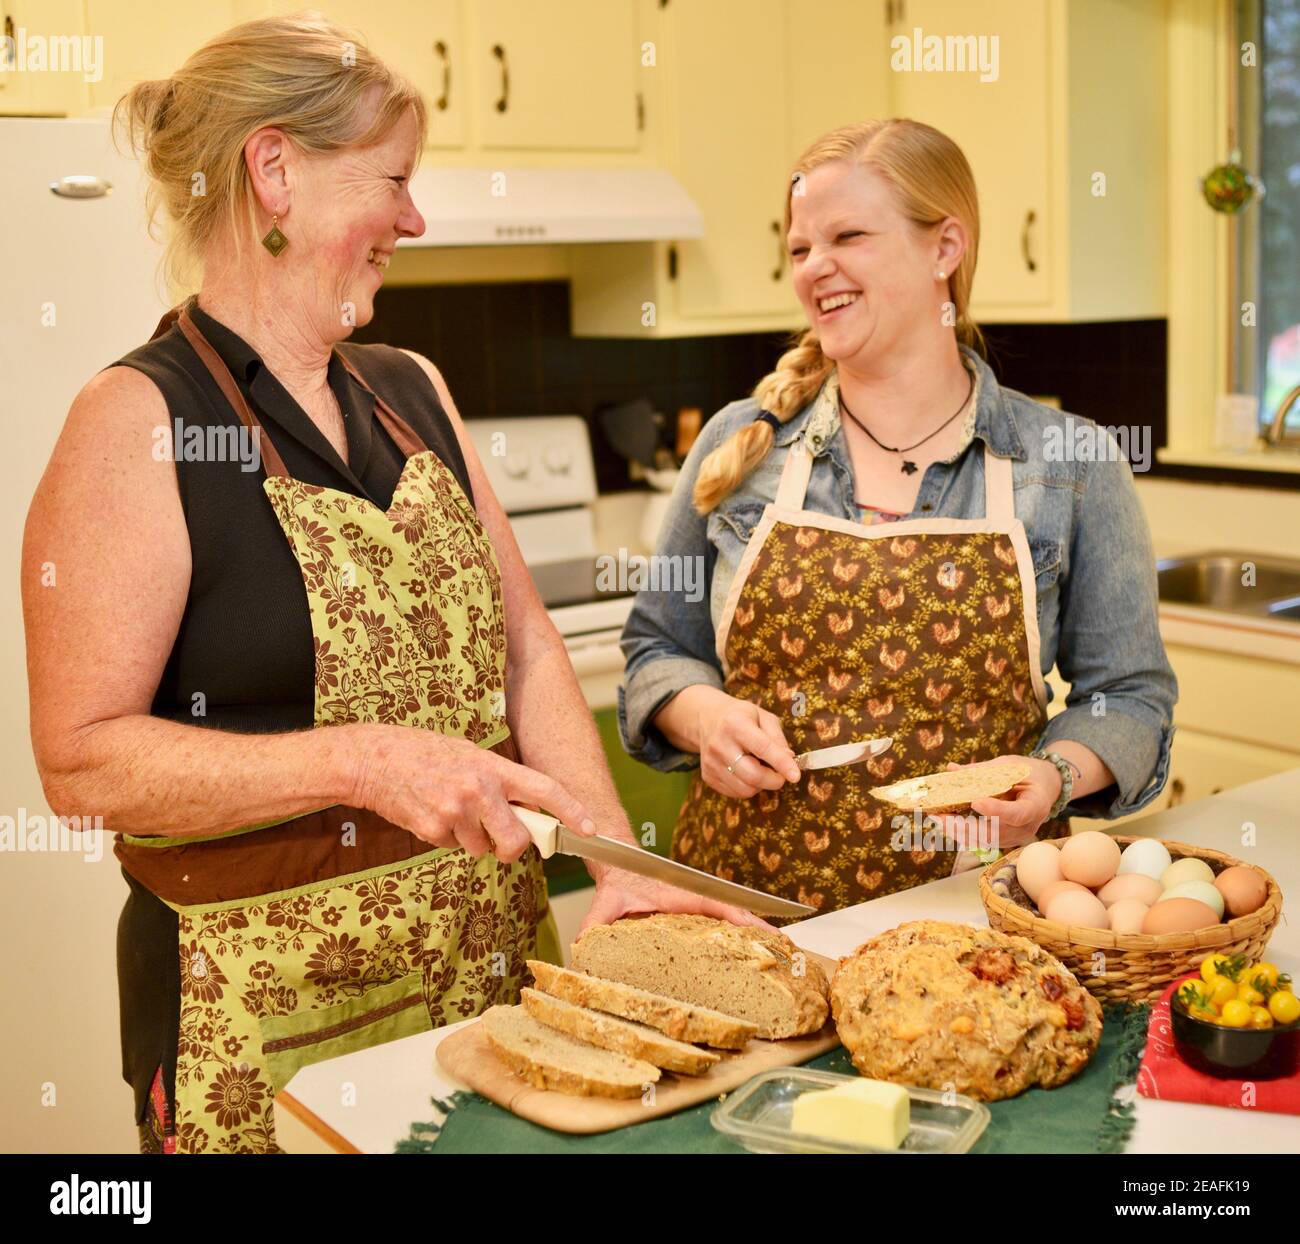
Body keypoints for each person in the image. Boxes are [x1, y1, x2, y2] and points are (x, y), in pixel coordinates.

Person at [21, 13, 758, 1155]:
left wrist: (614, 860)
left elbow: (526, 645)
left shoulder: (411, 385)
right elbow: (79, 760)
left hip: (491, 984)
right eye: (395, 181)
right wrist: (366, 758)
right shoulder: (137, 421)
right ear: (276, 171)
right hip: (259, 1018)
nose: (415, 219)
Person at [619, 118, 1177, 915]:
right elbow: (657, 647)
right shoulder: (745, 446)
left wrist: (1052, 778)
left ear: (945, 247)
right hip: (749, 915)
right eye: (801, 248)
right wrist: (700, 717)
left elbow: (1128, 696)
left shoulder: (1070, 463)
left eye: (849, 235)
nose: (818, 269)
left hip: (978, 923)